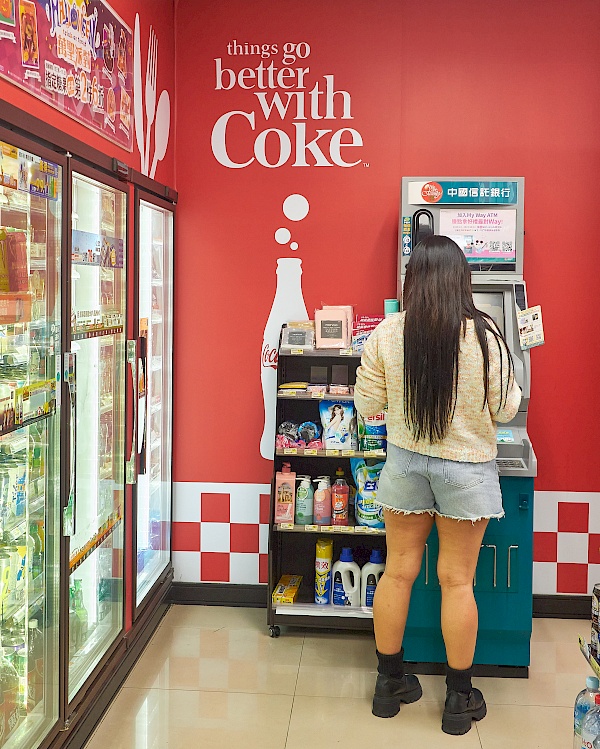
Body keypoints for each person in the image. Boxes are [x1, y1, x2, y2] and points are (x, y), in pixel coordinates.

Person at [354, 235, 521, 735]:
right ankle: (458, 700)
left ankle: (390, 685)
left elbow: (366, 405)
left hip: (405, 464)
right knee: (458, 582)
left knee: (397, 574)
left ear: (413, 281)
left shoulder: (388, 332)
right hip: (467, 471)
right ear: (461, 280)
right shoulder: (486, 335)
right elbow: (507, 408)